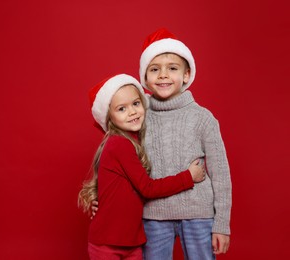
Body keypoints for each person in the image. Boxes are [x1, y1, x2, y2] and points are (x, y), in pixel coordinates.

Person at [78, 74, 206, 260]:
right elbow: (147, 188)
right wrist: (188, 176)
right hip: (107, 243)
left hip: (131, 242)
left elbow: (130, 193)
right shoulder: (119, 144)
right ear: (110, 118)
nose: (132, 112)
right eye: (122, 108)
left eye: (136, 104)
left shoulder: (134, 141)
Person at [138, 28, 232, 259]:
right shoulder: (138, 118)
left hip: (198, 213)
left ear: (187, 75)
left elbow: (221, 173)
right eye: (154, 69)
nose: (163, 75)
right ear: (145, 77)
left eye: (172, 68)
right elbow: (120, 162)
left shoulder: (203, 117)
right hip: (153, 215)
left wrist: (221, 223)